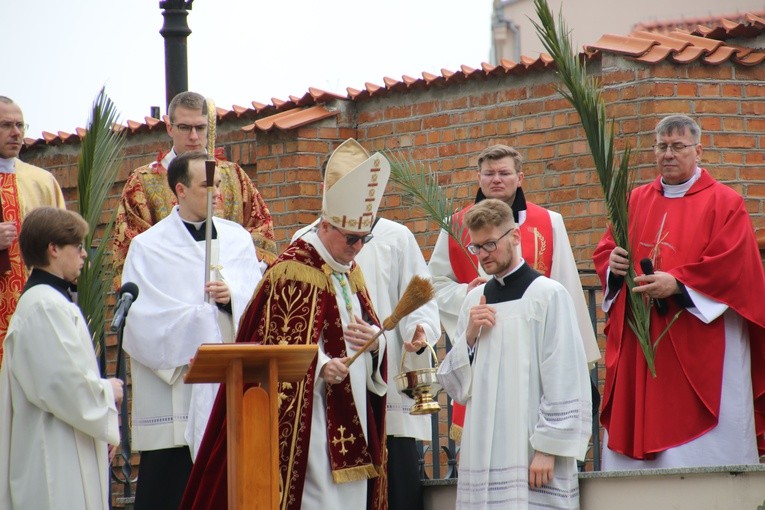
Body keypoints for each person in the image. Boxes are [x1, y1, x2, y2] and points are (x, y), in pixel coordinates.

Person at [181, 138, 391, 510]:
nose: (358, 248)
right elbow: (269, 344)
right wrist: (324, 366)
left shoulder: (350, 271)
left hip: (353, 415)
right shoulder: (292, 271)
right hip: (312, 422)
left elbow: (369, 330)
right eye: (352, 238)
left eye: (364, 239)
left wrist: (377, 344)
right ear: (325, 224)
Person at [593, 114, 765, 469]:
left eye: (678, 147)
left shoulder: (725, 202)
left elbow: (734, 267)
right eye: (661, 147)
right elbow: (607, 250)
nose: (668, 154)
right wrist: (614, 266)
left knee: (697, 454)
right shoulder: (635, 200)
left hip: (698, 334)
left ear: (698, 151)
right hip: (644, 340)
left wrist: (678, 284)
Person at [292, 140, 441, 510]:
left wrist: (417, 333)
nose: (357, 244)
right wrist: (325, 362)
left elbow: (421, 297)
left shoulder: (396, 237)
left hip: (383, 383)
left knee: (398, 492)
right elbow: (298, 324)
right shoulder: (305, 243)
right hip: (333, 393)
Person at [428, 144, 600, 439]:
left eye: (504, 173)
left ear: (520, 177)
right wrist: (466, 296)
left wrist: (578, 357)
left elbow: (565, 287)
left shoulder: (549, 221)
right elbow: (434, 285)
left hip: (535, 346)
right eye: (489, 173)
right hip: (485, 342)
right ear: (478, 177)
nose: (496, 179)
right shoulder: (454, 225)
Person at [122, 151, 262, 509]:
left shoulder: (238, 239)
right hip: (176, 392)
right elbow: (138, 321)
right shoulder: (148, 247)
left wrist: (233, 298)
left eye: (218, 184)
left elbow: (260, 302)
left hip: (229, 391)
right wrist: (193, 324)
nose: (217, 193)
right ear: (180, 190)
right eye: (206, 185)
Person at [437, 198, 591, 509]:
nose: (483, 255)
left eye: (490, 244)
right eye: (476, 247)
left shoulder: (548, 295)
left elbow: (565, 374)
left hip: (532, 452)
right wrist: (468, 337)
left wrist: (548, 449)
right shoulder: (473, 301)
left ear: (515, 237)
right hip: (483, 453)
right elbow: (454, 387)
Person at [0, 207, 122, 509]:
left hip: (63, 445)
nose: (84, 256)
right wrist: (108, 393)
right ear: (53, 249)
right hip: (52, 458)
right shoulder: (44, 307)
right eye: (78, 246)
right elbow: (61, 386)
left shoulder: (50, 302)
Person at [112, 90, 275, 291]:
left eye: (200, 127)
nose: (194, 136)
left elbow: (261, 231)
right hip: (172, 291)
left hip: (228, 293)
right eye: (184, 127)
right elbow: (132, 247)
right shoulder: (142, 182)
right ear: (170, 128)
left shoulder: (234, 177)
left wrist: (237, 282)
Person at [0, 97, 66, 364]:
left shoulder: (41, 181)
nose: (16, 132)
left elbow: (64, 244)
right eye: (6, 125)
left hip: (34, 305)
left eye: (20, 125)